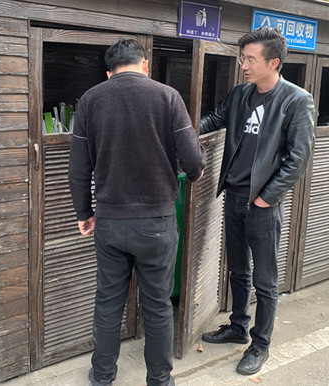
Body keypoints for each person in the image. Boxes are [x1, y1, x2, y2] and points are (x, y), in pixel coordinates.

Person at [68, 38, 206, 386]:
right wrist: (195, 172)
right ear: (145, 64)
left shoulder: (91, 100)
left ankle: (102, 376)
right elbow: (192, 158)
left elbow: (78, 168)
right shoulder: (167, 97)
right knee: (158, 305)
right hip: (157, 223)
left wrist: (84, 212)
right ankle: (160, 379)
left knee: (108, 302)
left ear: (109, 72)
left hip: (110, 223)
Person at [199, 27, 315, 376]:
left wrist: (266, 197)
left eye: (251, 59)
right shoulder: (240, 94)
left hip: (262, 204)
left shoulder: (296, 100)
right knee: (238, 268)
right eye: (243, 58)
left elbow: (298, 159)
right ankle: (238, 327)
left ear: (273, 62)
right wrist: (182, 133)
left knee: (265, 280)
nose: (244, 65)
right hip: (234, 197)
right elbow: (214, 120)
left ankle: (260, 344)